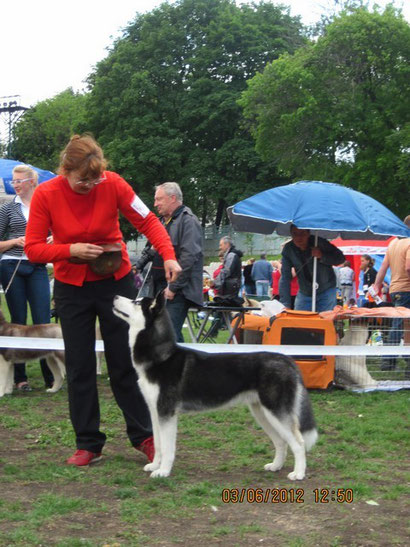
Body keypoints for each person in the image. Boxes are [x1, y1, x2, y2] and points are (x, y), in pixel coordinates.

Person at [25, 134, 181, 467]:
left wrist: (168, 255)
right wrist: (69, 250)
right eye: (83, 180)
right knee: (80, 367)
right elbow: (33, 249)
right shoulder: (46, 194)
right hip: (71, 287)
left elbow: (148, 220)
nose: (91, 185)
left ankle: (145, 437)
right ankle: (88, 443)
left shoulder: (114, 184)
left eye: (96, 179)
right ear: (66, 169)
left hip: (116, 283)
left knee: (125, 363)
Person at [0, 165, 54, 392]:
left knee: (43, 319)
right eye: (13, 181)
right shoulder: (6, 209)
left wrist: (54, 239)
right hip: (11, 265)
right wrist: (14, 242)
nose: (15, 184)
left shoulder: (46, 206)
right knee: (18, 320)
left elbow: (60, 233)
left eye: (19, 180)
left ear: (32, 182)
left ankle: (50, 375)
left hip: (38, 265)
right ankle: (20, 379)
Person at [135, 182, 203, 342]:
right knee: (158, 333)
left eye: (159, 199)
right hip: (158, 287)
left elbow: (188, 258)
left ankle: (181, 366)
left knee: (168, 334)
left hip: (178, 291)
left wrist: (173, 287)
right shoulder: (160, 222)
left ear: (173, 198)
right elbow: (152, 249)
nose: (155, 204)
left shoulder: (188, 221)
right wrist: (137, 267)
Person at [372, 217, 410, 375]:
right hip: (407, 289)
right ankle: (390, 360)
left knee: (403, 326)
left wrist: (376, 286)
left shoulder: (393, 243)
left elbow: (382, 267)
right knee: (401, 326)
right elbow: (409, 268)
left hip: (395, 289)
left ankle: (397, 361)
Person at [279, 225, 345, 312]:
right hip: (304, 291)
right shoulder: (288, 249)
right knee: (299, 321)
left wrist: (322, 255)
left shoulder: (319, 242)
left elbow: (340, 258)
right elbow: (285, 277)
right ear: (291, 235)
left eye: (302, 233)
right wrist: (285, 304)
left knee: (324, 322)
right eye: (295, 234)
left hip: (326, 289)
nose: (299, 237)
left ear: (308, 233)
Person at [212, 236, 243, 300]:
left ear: (227, 244)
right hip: (232, 286)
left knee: (227, 305)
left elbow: (226, 271)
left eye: (221, 245)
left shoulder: (231, 255)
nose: (220, 247)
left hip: (230, 288)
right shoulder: (232, 255)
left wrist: (214, 283)